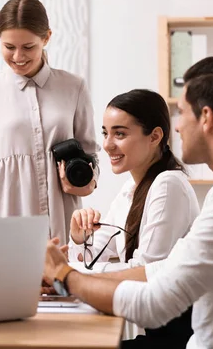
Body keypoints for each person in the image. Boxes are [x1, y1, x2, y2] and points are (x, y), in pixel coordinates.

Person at [43, 56, 213, 349]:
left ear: (206, 118)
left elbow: (154, 305)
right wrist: (73, 271)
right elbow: (163, 269)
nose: (178, 127)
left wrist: (65, 276)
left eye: (181, 113)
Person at [0, 0, 99, 243]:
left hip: (61, 218)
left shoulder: (74, 87)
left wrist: (89, 180)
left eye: (29, 47)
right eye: (9, 47)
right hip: (1, 218)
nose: (18, 56)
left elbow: (91, 155)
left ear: (46, 38)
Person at [66, 89, 199, 346]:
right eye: (105, 133)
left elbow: (144, 273)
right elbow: (94, 256)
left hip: (175, 337)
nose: (107, 144)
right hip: (155, 330)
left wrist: (68, 275)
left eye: (120, 134)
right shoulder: (131, 188)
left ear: (155, 136)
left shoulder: (168, 185)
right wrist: (79, 237)